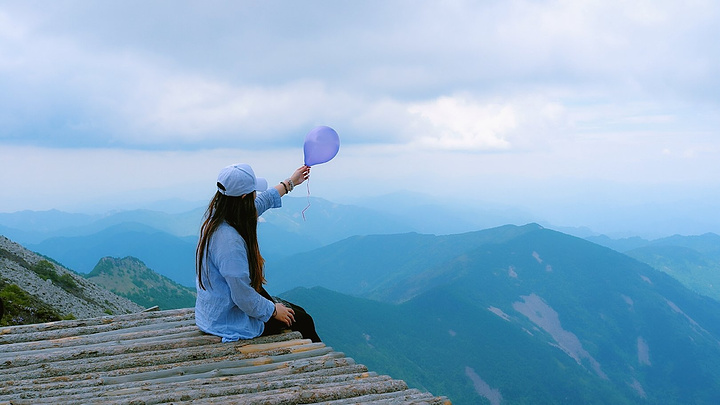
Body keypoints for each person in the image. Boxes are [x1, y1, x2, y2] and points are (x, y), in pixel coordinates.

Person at [195, 163, 321, 343]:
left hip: (217, 307)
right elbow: (242, 296)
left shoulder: (221, 216)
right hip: (227, 319)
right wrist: (273, 310)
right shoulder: (229, 241)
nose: (256, 195)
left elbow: (263, 201)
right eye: (254, 192)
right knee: (303, 321)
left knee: (299, 312)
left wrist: (290, 182)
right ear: (244, 197)